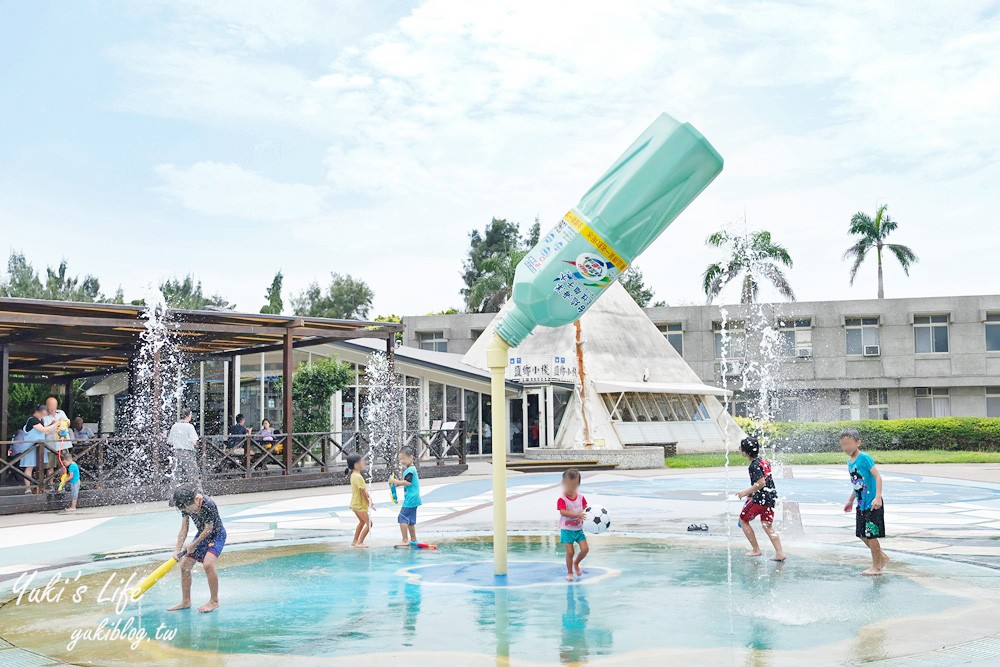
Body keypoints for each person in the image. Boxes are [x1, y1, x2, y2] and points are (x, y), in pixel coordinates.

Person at [168, 485, 226, 613]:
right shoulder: (186, 506)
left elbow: (208, 529)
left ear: (194, 500)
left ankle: (214, 601)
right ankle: (186, 601)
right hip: (201, 535)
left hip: (216, 535)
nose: (186, 511)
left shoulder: (208, 504)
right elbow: (184, 529)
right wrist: (177, 550)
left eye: (186, 508)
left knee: (208, 564)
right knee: (185, 567)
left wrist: (193, 545)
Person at [841, 429, 889, 576]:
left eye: (849, 444)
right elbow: (858, 485)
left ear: (858, 443)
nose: (846, 448)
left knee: (871, 535)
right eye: (843, 445)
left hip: (873, 504)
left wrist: (878, 497)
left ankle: (876, 567)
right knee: (861, 534)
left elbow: (878, 477)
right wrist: (850, 500)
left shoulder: (864, 458)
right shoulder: (850, 462)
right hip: (861, 504)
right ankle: (882, 557)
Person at [736, 437, 786, 562]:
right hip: (770, 498)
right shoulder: (764, 461)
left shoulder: (753, 465)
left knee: (743, 520)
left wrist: (745, 492)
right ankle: (780, 553)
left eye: (741, 448)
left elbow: (761, 483)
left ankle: (756, 549)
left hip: (760, 500)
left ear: (745, 452)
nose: (739, 450)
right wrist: (751, 494)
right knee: (767, 525)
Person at [15, 405, 58, 494]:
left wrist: (53, 428)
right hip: (30, 447)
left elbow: (45, 431)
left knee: (41, 467)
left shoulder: (40, 420)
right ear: (39, 412)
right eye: (43, 414)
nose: (43, 417)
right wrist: (54, 424)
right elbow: (43, 429)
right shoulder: (32, 420)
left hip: (40, 447)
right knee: (29, 467)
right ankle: (28, 488)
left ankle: (40, 487)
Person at [557, 468, 589, 581]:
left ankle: (576, 563)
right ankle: (570, 572)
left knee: (585, 549)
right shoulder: (562, 499)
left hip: (578, 529)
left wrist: (590, 515)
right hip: (566, 530)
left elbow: (586, 509)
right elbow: (563, 511)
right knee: (570, 552)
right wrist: (577, 515)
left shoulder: (581, 497)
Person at [389, 446, 422, 547]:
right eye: (400, 459)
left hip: (410, 499)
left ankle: (404, 540)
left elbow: (408, 482)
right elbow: (408, 482)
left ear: (411, 457)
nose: (401, 461)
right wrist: (398, 484)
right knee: (410, 521)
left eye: (403, 458)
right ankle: (413, 539)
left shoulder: (410, 470)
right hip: (414, 498)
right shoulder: (411, 469)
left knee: (402, 518)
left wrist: (396, 481)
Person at [166, 409, 201, 491]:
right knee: (193, 475)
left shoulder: (174, 426)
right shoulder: (190, 426)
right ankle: (197, 495)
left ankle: (173, 497)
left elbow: (170, 441)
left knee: (176, 476)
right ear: (188, 415)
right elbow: (194, 442)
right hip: (187, 453)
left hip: (176, 453)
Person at [346, 453, 374, 548]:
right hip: (359, 505)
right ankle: (360, 542)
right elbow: (363, 492)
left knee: (362, 522)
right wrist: (368, 502)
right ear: (356, 464)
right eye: (361, 461)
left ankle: (355, 541)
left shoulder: (354, 475)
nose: (364, 463)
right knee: (369, 523)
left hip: (355, 504)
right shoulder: (358, 477)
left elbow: (364, 491)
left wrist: (370, 500)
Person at [42, 396, 70, 489]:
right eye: (50, 405)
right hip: (50, 445)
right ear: (46, 406)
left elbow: (68, 422)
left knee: (64, 464)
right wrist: (53, 423)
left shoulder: (61, 413)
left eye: (53, 405)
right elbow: (43, 429)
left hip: (62, 443)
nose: (52, 407)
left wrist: (61, 422)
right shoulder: (44, 416)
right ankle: (51, 485)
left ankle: (63, 484)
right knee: (50, 466)